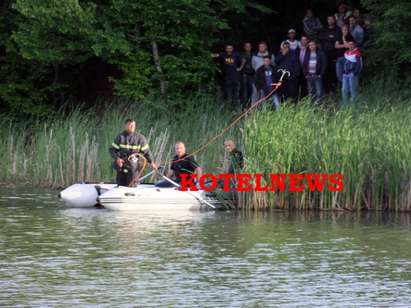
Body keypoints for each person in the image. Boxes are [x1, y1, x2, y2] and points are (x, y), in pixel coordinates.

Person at [109, 119, 157, 187]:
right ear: (125, 126)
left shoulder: (140, 138)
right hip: (121, 164)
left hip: (133, 165)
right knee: (120, 184)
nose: (132, 127)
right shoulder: (120, 137)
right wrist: (117, 159)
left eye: (133, 125)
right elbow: (112, 150)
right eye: (130, 125)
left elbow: (147, 152)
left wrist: (152, 162)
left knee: (132, 184)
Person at [336, 39, 363, 105]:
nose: (350, 45)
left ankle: (354, 105)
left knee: (353, 90)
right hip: (345, 74)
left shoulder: (357, 54)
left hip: (352, 74)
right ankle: (346, 105)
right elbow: (343, 63)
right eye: (349, 44)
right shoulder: (346, 53)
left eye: (352, 44)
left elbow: (359, 65)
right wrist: (342, 72)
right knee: (344, 90)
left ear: (354, 45)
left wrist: (354, 73)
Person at [319, 15, 341, 93]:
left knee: (334, 72)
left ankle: (334, 89)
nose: (330, 20)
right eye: (329, 19)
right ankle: (326, 90)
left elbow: (338, 38)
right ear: (327, 20)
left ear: (334, 20)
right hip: (325, 54)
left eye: (332, 19)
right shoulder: (324, 29)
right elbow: (321, 38)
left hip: (334, 53)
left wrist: (328, 38)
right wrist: (330, 37)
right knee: (325, 71)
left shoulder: (338, 29)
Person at [239, 42, 255, 107]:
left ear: (251, 47)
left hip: (252, 75)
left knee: (251, 90)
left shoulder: (254, 55)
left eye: (249, 46)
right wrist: (240, 68)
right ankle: (244, 105)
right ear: (244, 47)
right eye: (246, 46)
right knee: (244, 91)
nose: (248, 47)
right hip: (244, 75)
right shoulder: (242, 55)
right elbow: (240, 65)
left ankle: (250, 104)